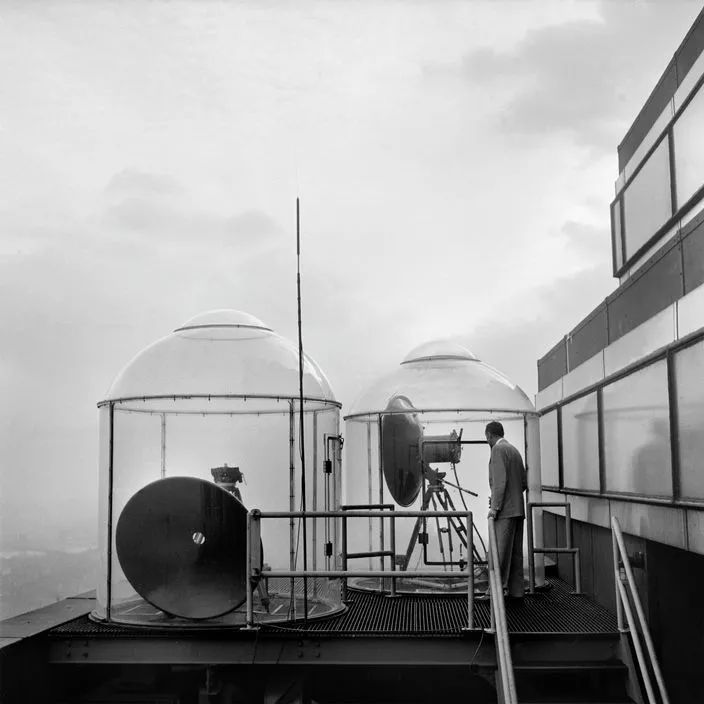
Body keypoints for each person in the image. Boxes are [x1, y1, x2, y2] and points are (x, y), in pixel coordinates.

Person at [485, 421, 527, 600]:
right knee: (515, 554)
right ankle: (517, 592)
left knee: (499, 553)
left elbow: (500, 482)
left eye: (486, 438)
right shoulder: (514, 450)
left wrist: (495, 507)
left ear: (489, 435)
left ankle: (495, 593)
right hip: (518, 509)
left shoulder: (498, 450)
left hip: (505, 511)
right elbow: (523, 483)